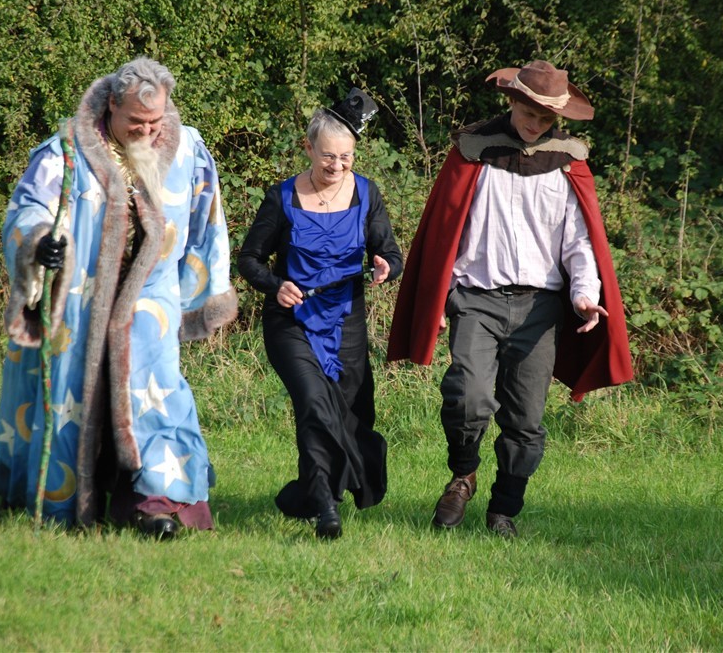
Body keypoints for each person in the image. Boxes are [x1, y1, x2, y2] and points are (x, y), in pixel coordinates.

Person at [387, 60, 633, 537]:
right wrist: (438, 296)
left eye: (545, 118)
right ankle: (464, 474)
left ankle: (503, 510)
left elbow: (580, 241)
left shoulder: (568, 162)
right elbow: (446, 231)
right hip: (475, 298)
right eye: (529, 113)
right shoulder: (473, 152)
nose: (535, 125)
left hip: (540, 308)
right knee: (468, 396)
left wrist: (585, 295)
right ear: (512, 101)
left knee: (526, 420)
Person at [0, 57, 237, 538]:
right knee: (74, 398)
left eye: (155, 121)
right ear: (111, 106)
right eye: (135, 121)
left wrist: (200, 293)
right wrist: (39, 242)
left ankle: (155, 506)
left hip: (150, 302)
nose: (146, 130)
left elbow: (208, 221)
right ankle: (68, 503)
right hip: (80, 302)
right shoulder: (65, 153)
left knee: (156, 394)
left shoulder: (188, 150)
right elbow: (28, 208)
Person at [238, 88, 403, 539]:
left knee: (346, 414)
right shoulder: (281, 197)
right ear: (308, 148)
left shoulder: (366, 194)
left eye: (346, 157)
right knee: (313, 403)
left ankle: (307, 494)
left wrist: (387, 266)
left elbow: (390, 253)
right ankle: (326, 508)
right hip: (290, 322)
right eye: (328, 156)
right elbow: (249, 259)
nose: (337, 166)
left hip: (345, 321)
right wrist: (276, 285)